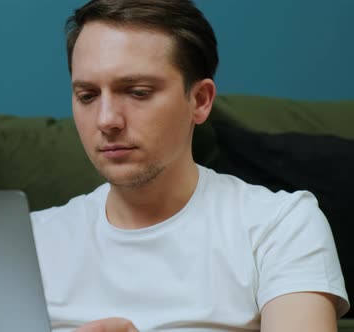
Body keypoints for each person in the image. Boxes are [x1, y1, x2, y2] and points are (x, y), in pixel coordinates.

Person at [30, 0, 350, 331]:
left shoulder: (279, 225)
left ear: (199, 101)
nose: (107, 119)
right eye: (87, 96)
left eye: (137, 92)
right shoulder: (26, 243)